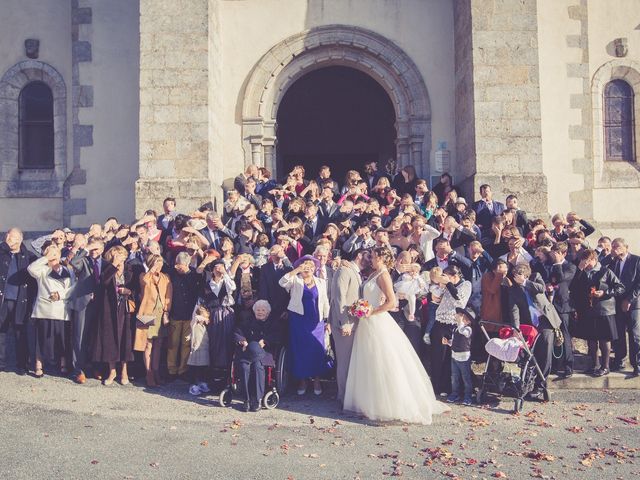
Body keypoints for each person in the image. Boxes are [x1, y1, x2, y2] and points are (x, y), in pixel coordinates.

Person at [343, 246, 449, 424]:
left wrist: (371, 311)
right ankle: (368, 402)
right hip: (367, 322)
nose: (371, 259)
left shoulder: (383, 275)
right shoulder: (374, 273)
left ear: (382, 259)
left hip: (376, 320)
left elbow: (392, 301)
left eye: (374, 256)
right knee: (368, 361)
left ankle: (385, 404)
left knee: (381, 360)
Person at [279, 255, 331, 396]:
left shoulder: (321, 281)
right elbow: (282, 282)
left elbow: (325, 301)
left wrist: (327, 320)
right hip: (298, 320)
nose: (307, 268)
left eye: (310, 266)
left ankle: (317, 380)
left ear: (315, 269)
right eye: (304, 265)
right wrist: (296, 271)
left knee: (317, 350)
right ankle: (302, 380)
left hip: (316, 322)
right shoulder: (295, 280)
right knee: (300, 350)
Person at [508, 263, 562, 397]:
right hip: (530, 324)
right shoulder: (513, 290)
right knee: (530, 354)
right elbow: (514, 310)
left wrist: (525, 282)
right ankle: (528, 382)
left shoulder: (535, 277)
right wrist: (516, 328)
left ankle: (541, 385)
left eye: (519, 275)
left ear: (525, 274)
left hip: (545, 320)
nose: (516, 278)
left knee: (545, 352)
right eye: (515, 276)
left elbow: (541, 289)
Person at [570, 249, 625, 377]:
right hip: (587, 311)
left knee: (604, 339)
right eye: (583, 261)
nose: (586, 264)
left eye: (588, 261)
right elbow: (573, 288)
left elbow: (620, 287)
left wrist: (605, 293)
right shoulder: (582, 272)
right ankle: (594, 365)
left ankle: (605, 366)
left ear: (594, 259)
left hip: (604, 310)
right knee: (591, 340)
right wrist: (579, 270)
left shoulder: (605, 271)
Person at [329, 249, 370, 406]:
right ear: (359, 255)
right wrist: (344, 322)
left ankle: (351, 395)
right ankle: (343, 396)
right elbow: (339, 298)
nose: (369, 260)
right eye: (367, 256)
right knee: (344, 361)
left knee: (352, 361)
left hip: (355, 322)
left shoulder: (357, 272)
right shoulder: (344, 270)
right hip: (344, 324)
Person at [29, 244, 76, 378]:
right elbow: (31, 268)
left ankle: (63, 364)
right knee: (41, 337)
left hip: (61, 309)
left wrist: (60, 295)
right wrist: (46, 258)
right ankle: (39, 365)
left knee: (62, 338)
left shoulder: (68, 271)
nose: (53, 256)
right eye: (50, 253)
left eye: (56, 253)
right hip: (45, 309)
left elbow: (73, 287)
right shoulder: (42, 270)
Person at [92, 245, 135, 385]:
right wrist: (114, 265)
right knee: (110, 339)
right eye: (117, 255)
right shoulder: (107, 268)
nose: (120, 257)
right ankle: (112, 371)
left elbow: (136, 287)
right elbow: (103, 281)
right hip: (109, 308)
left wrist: (128, 291)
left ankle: (124, 370)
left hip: (125, 308)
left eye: (122, 254)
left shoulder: (130, 269)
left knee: (125, 339)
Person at [428, 265, 472, 395]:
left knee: (450, 358)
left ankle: (449, 387)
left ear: (454, 276)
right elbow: (435, 299)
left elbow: (460, 299)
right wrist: (440, 287)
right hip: (440, 322)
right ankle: (435, 387)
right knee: (437, 356)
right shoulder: (446, 286)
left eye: (447, 277)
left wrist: (448, 284)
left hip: (454, 324)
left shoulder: (466, 284)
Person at [234, 300, 283, 412]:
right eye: (258, 310)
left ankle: (257, 400)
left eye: (263, 310)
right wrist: (243, 341)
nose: (260, 312)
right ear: (254, 311)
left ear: (268, 312)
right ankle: (246, 399)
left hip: (265, 353)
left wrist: (266, 341)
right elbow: (237, 332)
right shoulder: (248, 321)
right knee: (244, 366)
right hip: (247, 353)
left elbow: (278, 336)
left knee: (257, 366)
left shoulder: (273, 323)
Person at [0, 228, 36, 375]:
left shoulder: (28, 256)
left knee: (20, 332)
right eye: (8, 235)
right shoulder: (1, 253)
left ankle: (22, 364)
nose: (9, 238)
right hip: (4, 298)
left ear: (20, 239)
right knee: (1, 331)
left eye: (13, 236)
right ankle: (1, 363)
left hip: (21, 300)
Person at [134, 254, 173, 387]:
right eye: (157, 262)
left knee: (158, 344)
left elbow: (169, 296)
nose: (159, 265)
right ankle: (149, 373)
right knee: (148, 344)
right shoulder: (144, 276)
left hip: (160, 313)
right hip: (147, 312)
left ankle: (156, 371)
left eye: (161, 262)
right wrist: (151, 270)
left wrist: (166, 312)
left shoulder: (165, 278)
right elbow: (144, 282)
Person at [608, 238, 640, 375]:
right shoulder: (612, 262)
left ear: (626, 247)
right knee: (618, 333)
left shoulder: (636, 260)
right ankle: (619, 361)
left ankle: (637, 364)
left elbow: (638, 283)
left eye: (617, 246)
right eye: (613, 246)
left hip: (633, 303)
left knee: (634, 334)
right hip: (616, 303)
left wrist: (628, 299)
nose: (615, 249)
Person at [167, 252, 201, 380]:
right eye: (177, 265)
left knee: (186, 344)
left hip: (188, 314)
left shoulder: (193, 275)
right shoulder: (172, 273)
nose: (178, 268)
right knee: (173, 344)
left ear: (187, 264)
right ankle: (171, 370)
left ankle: (183, 370)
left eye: (180, 266)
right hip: (175, 313)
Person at [547, 242, 577, 377]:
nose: (554, 255)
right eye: (553, 252)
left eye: (557, 253)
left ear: (564, 253)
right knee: (553, 337)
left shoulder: (570, 266)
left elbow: (561, 279)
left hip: (564, 306)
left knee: (565, 336)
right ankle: (554, 364)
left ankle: (568, 366)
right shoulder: (549, 265)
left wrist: (558, 263)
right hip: (551, 305)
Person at [442, 307, 475, 405]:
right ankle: (455, 393)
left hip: (464, 357)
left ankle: (468, 396)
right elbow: (455, 341)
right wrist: (448, 342)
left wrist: (460, 322)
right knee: (454, 377)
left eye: (463, 318)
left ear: (468, 321)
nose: (460, 319)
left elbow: (462, 332)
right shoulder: (456, 328)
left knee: (466, 378)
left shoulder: (468, 329)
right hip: (454, 356)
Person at [186, 305, 211, 396]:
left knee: (202, 368)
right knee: (194, 368)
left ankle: (201, 383)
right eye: (203, 317)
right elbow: (196, 318)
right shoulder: (194, 324)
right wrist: (202, 318)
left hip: (204, 350)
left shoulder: (203, 326)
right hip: (196, 350)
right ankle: (193, 385)